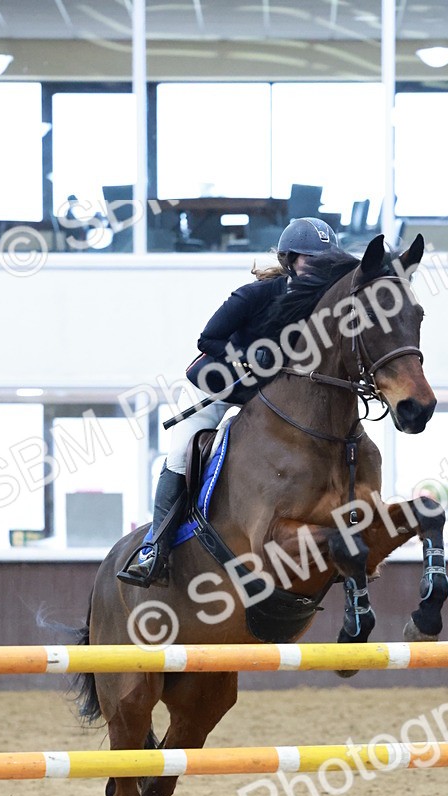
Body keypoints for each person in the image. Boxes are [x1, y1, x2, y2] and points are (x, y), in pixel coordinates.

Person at [118, 217, 339, 587]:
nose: (316, 270)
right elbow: (209, 339)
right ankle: (154, 547)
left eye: (324, 263)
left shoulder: (321, 306)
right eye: (309, 261)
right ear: (288, 260)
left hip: (270, 397)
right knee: (181, 453)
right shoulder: (254, 296)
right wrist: (250, 356)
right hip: (218, 385)